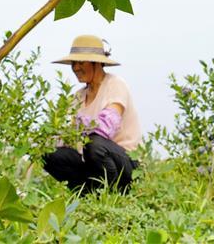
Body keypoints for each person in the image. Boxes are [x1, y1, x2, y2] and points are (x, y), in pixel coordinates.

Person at [42, 35, 141, 194]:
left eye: (81, 62)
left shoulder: (115, 85)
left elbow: (107, 127)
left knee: (94, 144)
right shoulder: (78, 97)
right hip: (92, 162)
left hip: (126, 164)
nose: (75, 68)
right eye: (74, 63)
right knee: (48, 154)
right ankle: (86, 194)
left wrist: (77, 129)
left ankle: (112, 194)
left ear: (97, 63)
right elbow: (66, 136)